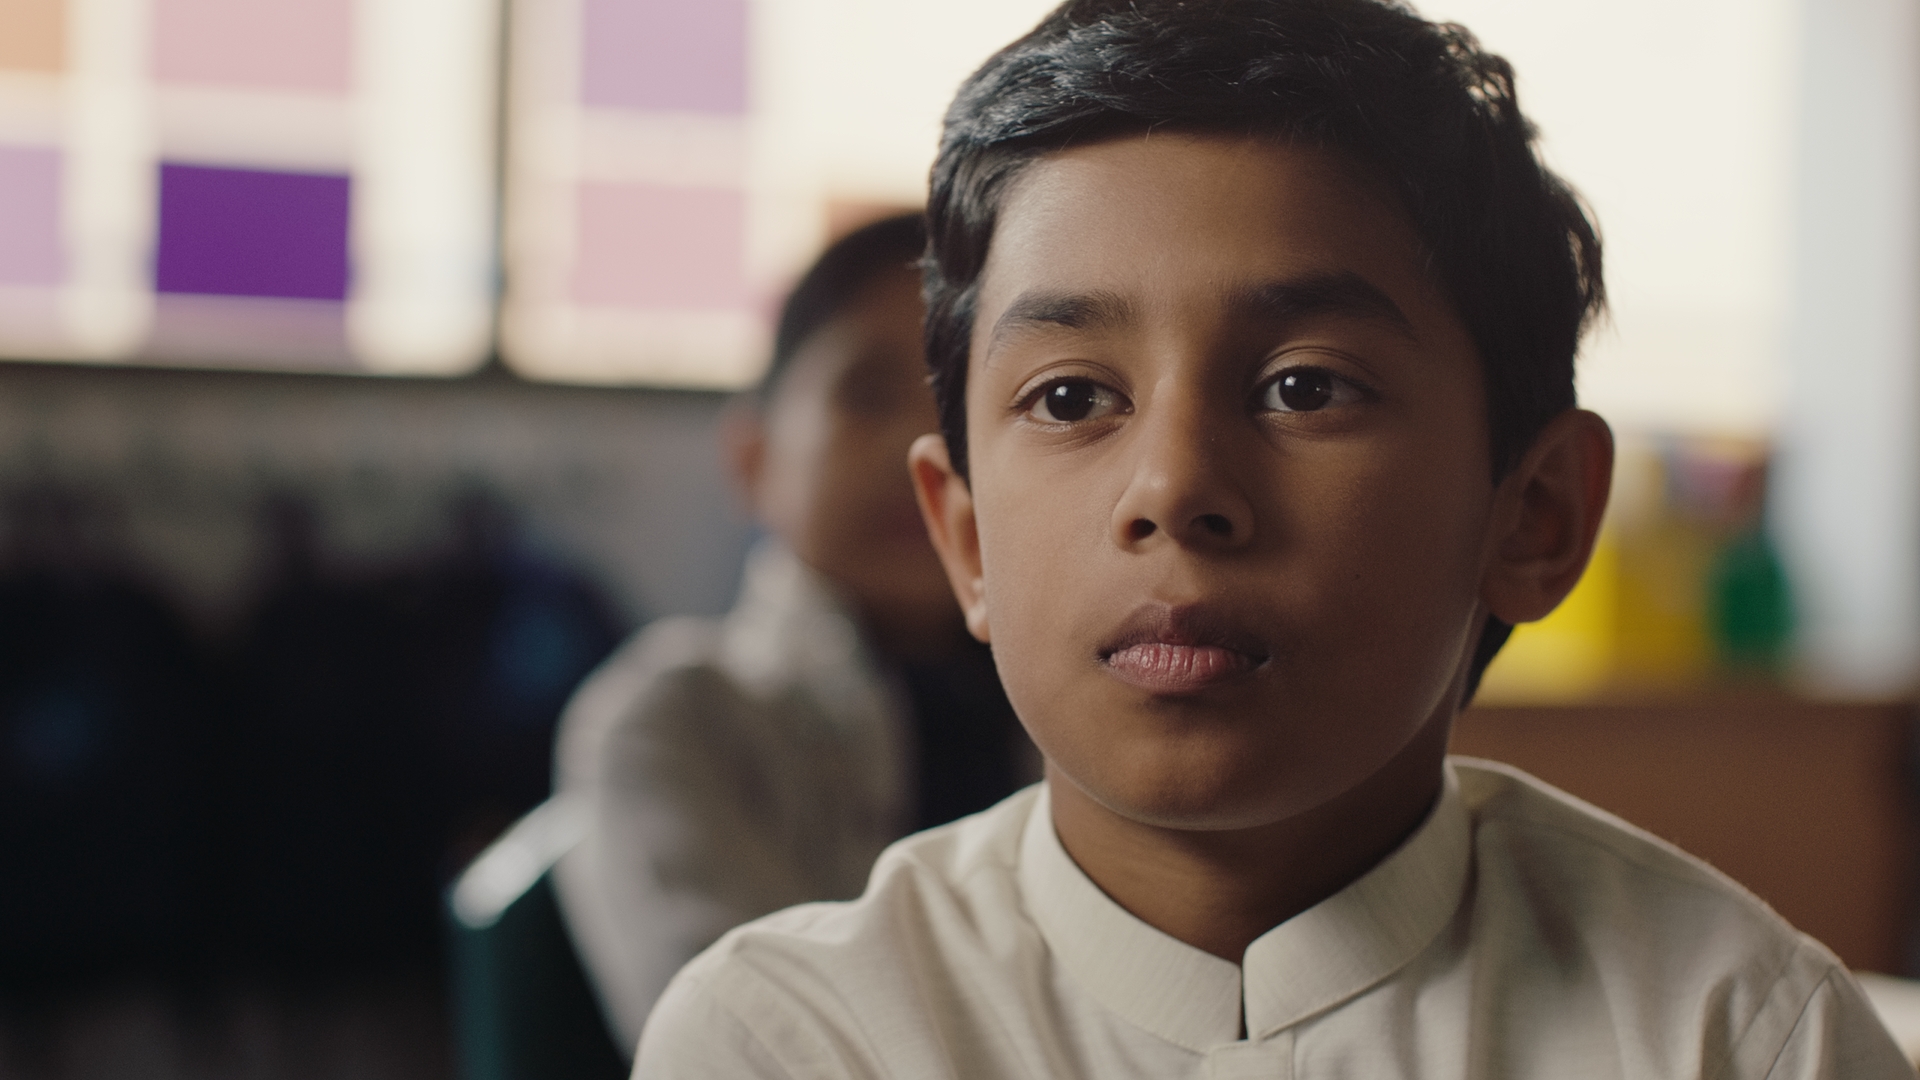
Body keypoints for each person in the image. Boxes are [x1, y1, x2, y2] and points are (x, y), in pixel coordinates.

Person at [633, 2, 1914, 1077]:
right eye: (1071, 398)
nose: (1175, 486)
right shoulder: (794, 1040)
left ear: (1534, 515)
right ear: (965, 542)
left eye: (1305, 387)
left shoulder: (1737, 1037)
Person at [550, 214, 1034, 1052]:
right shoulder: (674, 720)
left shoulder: (1077, 700)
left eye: (968, 402)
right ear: (751, 457)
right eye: (868, 393)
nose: (924, 446)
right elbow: (752, 1047)